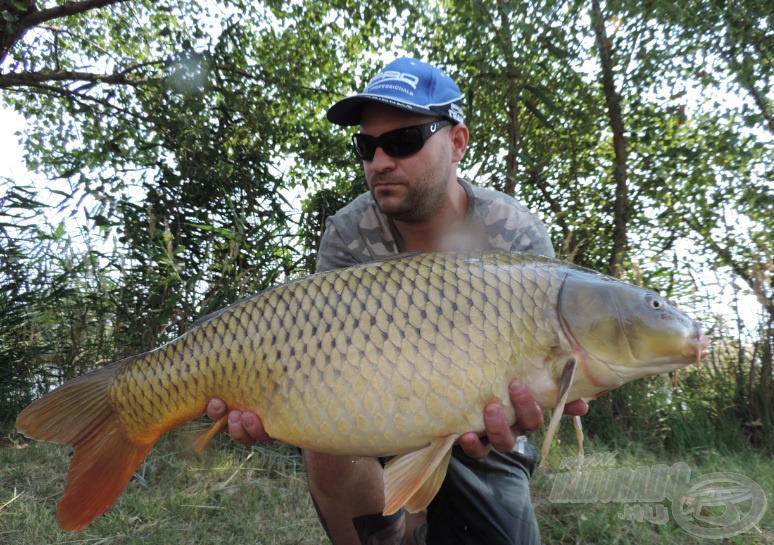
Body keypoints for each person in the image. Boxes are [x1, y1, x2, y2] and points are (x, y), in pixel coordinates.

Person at [207, 56, 588, 545]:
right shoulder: (348, 232)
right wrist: (272, 401)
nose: (380, 162)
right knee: (320, 440)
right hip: (374, 417)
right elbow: (321, 364)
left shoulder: (514, 233)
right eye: (367, 146)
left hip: (485, 437)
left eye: (403, 142)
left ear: (456, 143)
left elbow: (549, 376)